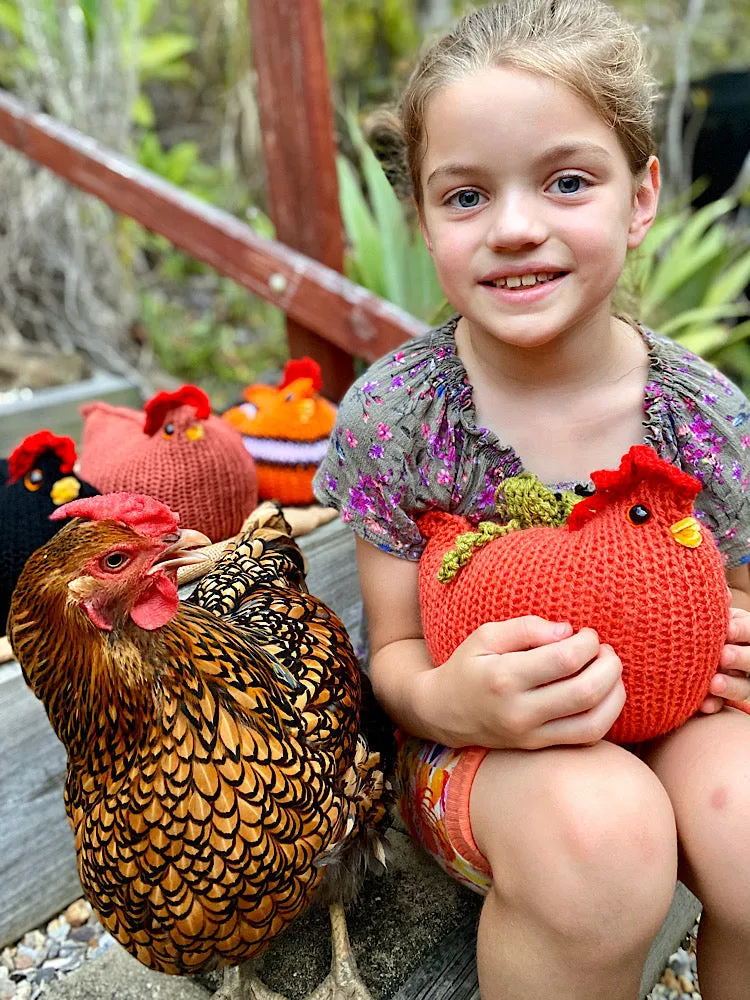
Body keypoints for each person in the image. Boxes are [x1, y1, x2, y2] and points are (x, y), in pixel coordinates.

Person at [313, 1, 750, 997]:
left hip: (676, 716)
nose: (516, 228)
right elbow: (395, 654)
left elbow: (735, 606)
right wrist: (449, 698)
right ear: (422, 219)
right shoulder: (401, 415)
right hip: (482, 752)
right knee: (603, 834)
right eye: (465, 197)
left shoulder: (702, 418)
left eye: (565, 181)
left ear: (639, 199)